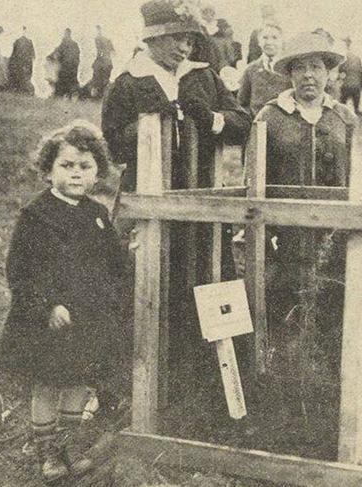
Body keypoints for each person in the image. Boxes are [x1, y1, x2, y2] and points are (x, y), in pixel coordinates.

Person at [102, 0, 251, 389]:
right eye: (174, 40)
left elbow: (242, 122)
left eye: (188, 40)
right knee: (146, 280)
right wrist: (150, 125)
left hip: (201, 197)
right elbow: (113, 146)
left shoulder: (204, 77)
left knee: (209, 274)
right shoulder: (129, 81)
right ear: (152, 38)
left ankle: (212, 381)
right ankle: (137, 379)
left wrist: (212, 120)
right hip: (149, 196)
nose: (183, 49)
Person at [0, 121, 125, 483]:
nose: (75, 174)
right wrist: (46, 307)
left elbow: (113, 266)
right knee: (48, 383)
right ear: (48, 170)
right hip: (49, 320)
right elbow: (19, 272)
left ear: (97, 172)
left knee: (78, 381)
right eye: (66, 165)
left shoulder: (98, 215)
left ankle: (68, 445)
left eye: (85, 167)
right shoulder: (36, 216)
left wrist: (109, 299)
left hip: (87, 318)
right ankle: (47, 452)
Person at [255, 31, 356, 396]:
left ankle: (337, 387)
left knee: (336, 305)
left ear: (330, 73)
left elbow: (360, 175)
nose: (308, 76)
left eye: (316, 67)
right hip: (287, 236)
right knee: (287, 308)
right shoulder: (269, 116)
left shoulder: (344, 118)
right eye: (300, 68)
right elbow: (255, 179)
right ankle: (286, 390)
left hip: (338, 234)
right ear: (290, 74)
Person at [237, 22, 290, 117]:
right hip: (258, 125)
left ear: (282, 41)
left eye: (274, 38)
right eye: (265, 38)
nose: (269, 42)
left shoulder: (289, 68)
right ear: (259, 42)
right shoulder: (250, 70)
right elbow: (242, 103)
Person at [49, 28, 80, 98]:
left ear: (66, 34)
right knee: (71, 84)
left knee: (60, 83)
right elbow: (77, 58)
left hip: (65, 70)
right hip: (73, 71)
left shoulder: (64, 43)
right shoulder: (75, 44)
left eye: (65, 34)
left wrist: (50, 57)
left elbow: (57, 51)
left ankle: (58, 94)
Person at [8, 26, 36, 95]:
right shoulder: (29, 42)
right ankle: (25, 91)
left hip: (20, 63)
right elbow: (33, 56)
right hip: (26, 63)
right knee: (26, 77)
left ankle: (21, 90)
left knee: (20, 76)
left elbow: (13, 55)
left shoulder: (18, 41)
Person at [338, 37, 362, 112]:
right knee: (356, 108)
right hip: (356, 85)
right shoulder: (357, 58)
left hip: (347, 85)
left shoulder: (345, 57)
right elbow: (361, 71)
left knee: (342, 107)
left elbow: (341, 70)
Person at [90, 25, 115, 98]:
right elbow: (113, 52)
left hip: (102, 63)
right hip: (107, 63)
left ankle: (98, 94)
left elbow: (100, 52)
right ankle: (103, 94)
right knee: (104, 79)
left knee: (98, 78)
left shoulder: (98, 39)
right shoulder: (107, 40)